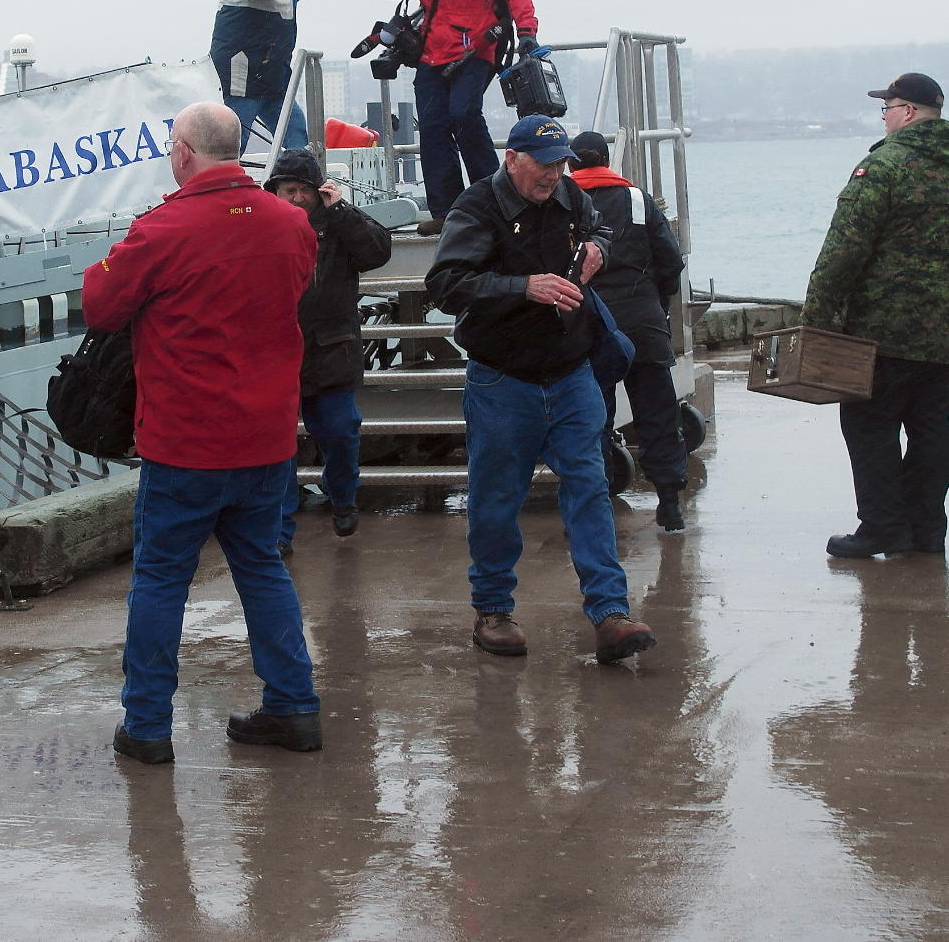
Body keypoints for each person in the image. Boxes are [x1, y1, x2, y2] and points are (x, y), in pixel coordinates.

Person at [82, 101, 321, 764]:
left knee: (161, 578)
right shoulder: (293, 224)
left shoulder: (162, 228)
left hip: (187, 440)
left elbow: (101, 304)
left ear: (183, 152)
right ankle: (294, 707)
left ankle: (149, 726)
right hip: (266, 437)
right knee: (262, 567)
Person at [425, 114, 657, 664]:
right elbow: (445, 285)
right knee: (496, 500)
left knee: (590, 486)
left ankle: (610, 614)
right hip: (503, 377)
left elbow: (598, 228)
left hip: (571, 369)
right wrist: (522, 287)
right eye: (544, 164)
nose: (554, 174)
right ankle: (493, 611)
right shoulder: (477, 207)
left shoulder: (571, 196)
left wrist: (599, 248)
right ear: (512, 159)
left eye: (560, 164)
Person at [801, 72, 949, 558]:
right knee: (935, 434)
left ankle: (884, 527)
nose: (883, 117)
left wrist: (817, 322)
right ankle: (927, 530)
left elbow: (844, 250)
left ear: (906, 112)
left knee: (870, 429)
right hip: (944, 339)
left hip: (882, 335)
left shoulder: (884, 167)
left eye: (886, 108)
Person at [373, 0, 538, 235]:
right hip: (433, 50)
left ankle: (493, 201)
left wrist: (527, 33)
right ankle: (446, 211)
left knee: (463, 114)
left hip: (477, 48)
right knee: (432, 126)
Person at [263, 148, 393, 546]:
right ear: (276, 192)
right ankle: (280, 531)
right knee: (276, 447)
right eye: (289, 191)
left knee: (340, 433)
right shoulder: (264, 226)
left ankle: (342, 497)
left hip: (332, 351)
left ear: (320, 191)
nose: (297, 198)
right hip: (275, 354)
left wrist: (343, 211)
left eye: (304, 190)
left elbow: (378, 251)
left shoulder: (339, 225)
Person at [568, 131, 689, 531]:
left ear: (570, 165)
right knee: (657, 412)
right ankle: (669, 503)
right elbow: (670, 261)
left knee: (591, 418)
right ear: (607, 161)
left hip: (589, 325)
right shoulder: (638, 200)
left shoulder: (562, 203)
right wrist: (657, 302)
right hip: (642, 322)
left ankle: (594, 506)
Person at [209, 0, 319, 153]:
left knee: (297, 138)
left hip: (272, 74)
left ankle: (301, 182)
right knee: (235, 142)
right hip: (244, 71)